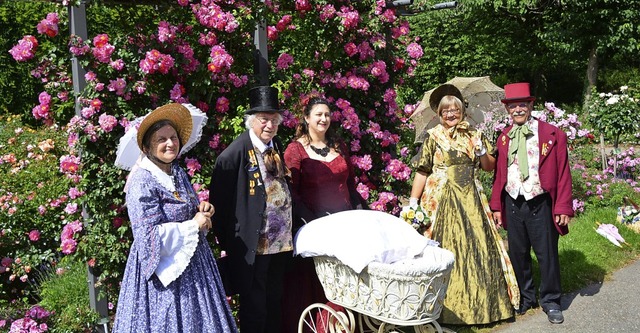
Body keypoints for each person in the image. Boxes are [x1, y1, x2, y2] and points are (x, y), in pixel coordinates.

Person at [113, 103, 238, 332]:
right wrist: (193, 225)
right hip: (162, 275)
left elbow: (187, 207)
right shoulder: (142, 181)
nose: (170, 143)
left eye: (173, 137)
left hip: (195, 265)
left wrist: (201, 210)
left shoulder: (176, 171)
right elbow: (147, 237)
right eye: (162, 139)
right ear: (148, 146)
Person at [409, 84, 518, 325]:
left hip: (471, 199)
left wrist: (480, 152)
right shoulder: (433, 137)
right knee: (442, 248)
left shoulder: (475, 134)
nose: (450, 114)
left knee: (479, 245)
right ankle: (441, 310)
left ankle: (487, 308)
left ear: (462, 111)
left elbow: (489, 166)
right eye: (446, 111)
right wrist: (413, 202)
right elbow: (422, 171)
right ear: (439, 114)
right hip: (440, 200)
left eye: (455, 110)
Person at [210, 86, 293, 333]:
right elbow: (220, 203)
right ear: (251, 121)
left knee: (274, 299)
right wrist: (230, 242)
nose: (269, 125)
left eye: (274, 120)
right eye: (263, 120)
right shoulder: (233, 154)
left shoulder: (274, 145)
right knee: (255, 306)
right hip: (253, 245)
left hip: (280, 243)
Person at [281, 95, 368, 332]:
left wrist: (362, 213)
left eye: (327, 114)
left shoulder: (339, 145)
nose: (324, 118)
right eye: (318, 114)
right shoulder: (294, 150)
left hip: (344, 224)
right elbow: (292, 193)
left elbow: (350, 185)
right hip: (313, 226)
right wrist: (313, 223)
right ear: (307, 118)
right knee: (320, 281)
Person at [489, 82, 574, 324]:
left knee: (546, 253)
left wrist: (563, 207)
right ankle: (526, 298)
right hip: (513, 200)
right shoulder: (504, 137)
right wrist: (497, 205)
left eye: (521, 105)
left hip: (540, 200)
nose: (517, 110)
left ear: (530, 105)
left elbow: (563, 173)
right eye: (512, 106)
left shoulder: (552, 134)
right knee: (518, 253)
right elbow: (500, 175)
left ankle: (551, 300)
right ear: (507, 110)